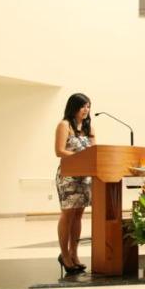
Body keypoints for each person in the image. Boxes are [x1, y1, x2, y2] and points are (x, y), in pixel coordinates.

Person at [55, 93, 94, 275]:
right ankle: (64, 255)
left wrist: (90, 157)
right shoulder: (64, 125)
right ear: (74, 107)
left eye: (88, 106)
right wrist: (81, 157)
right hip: (68, 176)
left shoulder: (88, 127)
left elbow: (94, 151)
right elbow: (59, 151)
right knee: (68, 214)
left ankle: (74, 254)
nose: (86, 110)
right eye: (83, 106)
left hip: (84, 177)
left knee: (78, 215)